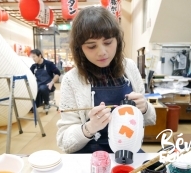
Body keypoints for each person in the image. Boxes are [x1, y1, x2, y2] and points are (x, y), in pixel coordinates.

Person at [56, 6, 156, 154]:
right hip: (89, 154)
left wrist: (145, 108)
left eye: (108, 42)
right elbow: (65, 142)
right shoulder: (71, 80)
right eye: (91, 46)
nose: (102, 52)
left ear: (117, 40)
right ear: (80, 49)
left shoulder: (130, 68)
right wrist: (89, 128)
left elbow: (150, 119)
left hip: (128, 149)